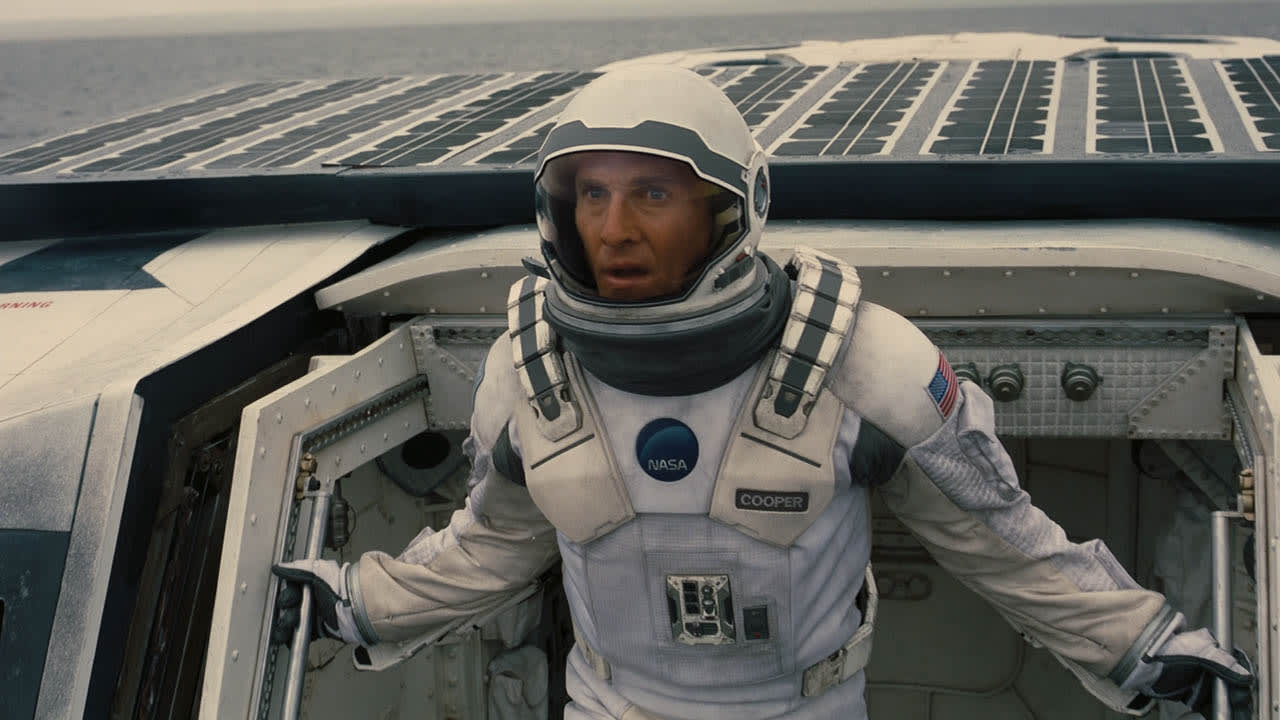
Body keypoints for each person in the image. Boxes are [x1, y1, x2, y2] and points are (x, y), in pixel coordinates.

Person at [274, 65, 1254, 719]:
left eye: (653, 194)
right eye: (592, 195)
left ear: (730, 208)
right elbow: (491, 544)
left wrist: (1140, 643)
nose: (613, 229)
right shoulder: (526, 372)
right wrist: (364, 605)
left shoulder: (865, 363)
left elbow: (1005, 544)